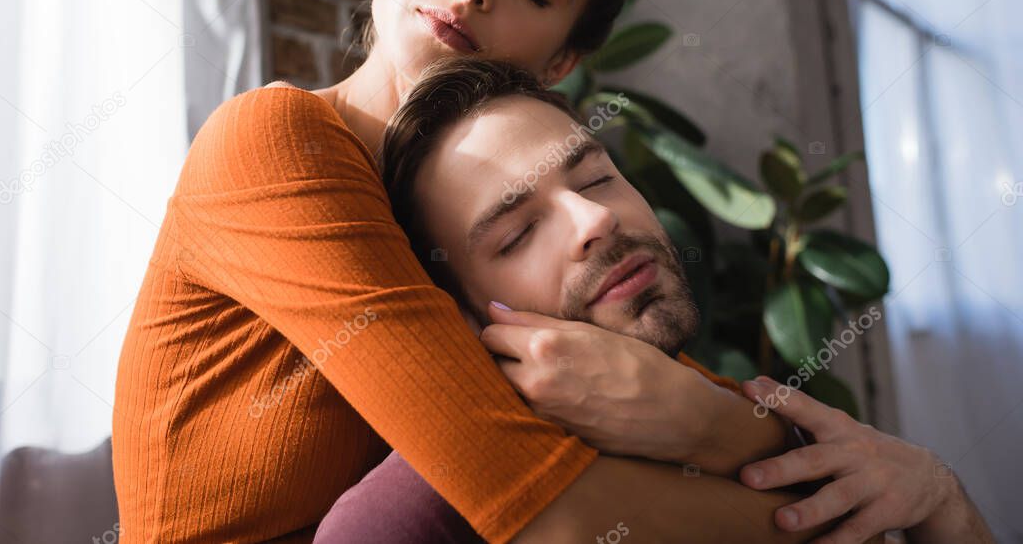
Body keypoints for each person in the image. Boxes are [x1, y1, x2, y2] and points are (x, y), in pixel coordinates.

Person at [314, 58, 993, 544]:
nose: (594, 221)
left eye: (597, 176)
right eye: (519, 233)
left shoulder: (756, 426)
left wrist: (942, 498)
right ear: (456, 311)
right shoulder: (404, 522)